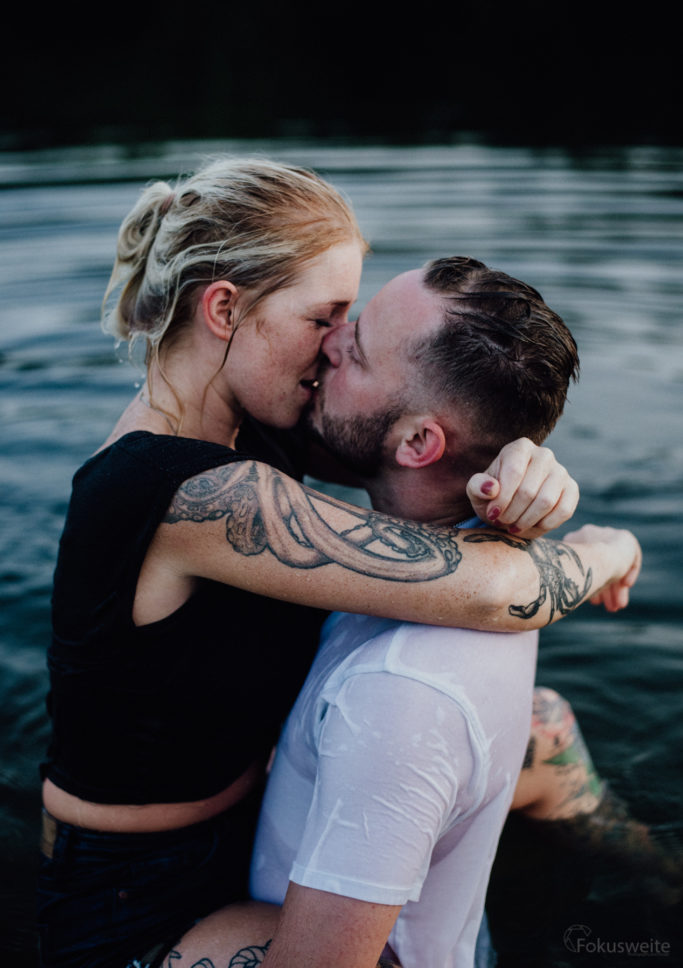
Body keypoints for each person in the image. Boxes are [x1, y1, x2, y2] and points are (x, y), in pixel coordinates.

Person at [37, 159, 639, 968]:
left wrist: (528, 467)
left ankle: (653, 885)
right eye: (325, 318)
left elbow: (413, 443)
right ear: (225, 309)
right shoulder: (173, 492)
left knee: (544, 728)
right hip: (133, 898)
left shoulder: (256, 424)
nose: (331, 350)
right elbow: (496, 592)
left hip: (246, 819)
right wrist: (607, 549)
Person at [169, 257, 643, 968]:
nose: (328, 341)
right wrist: (603, 544)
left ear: (419, 443)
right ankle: (655, 877)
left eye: (355, 350)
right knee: (543, 721)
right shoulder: (477, 551)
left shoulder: (397, 695)